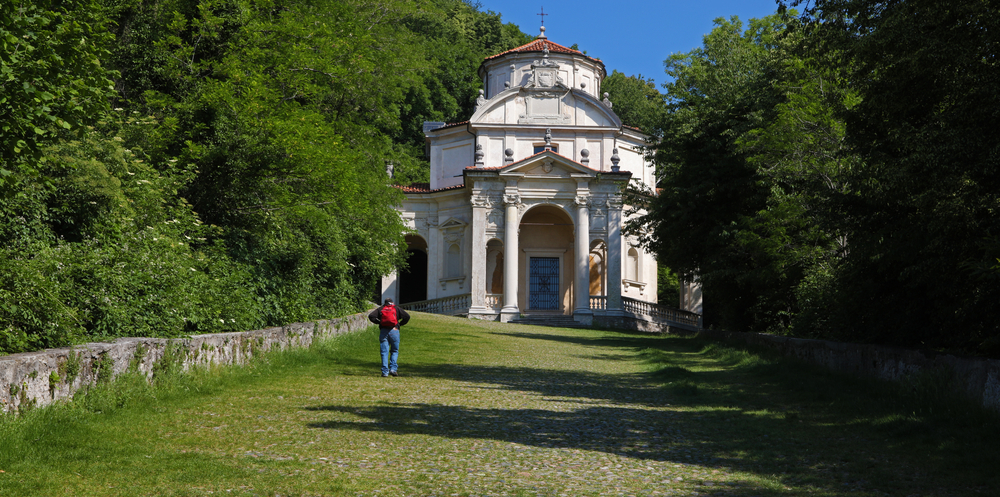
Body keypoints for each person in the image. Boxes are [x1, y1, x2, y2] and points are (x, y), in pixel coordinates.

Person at [368, 298, 410, 377]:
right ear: (392, 302)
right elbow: (407, 316)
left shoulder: (381, 309)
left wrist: (379, 322)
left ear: (385, 303)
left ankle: (385, 372)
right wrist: (399, 324)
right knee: (394, 351)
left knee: (384, 352)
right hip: (394, 331)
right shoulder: (396, 308)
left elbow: (371, 316)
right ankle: (393, 369)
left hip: (384, 331)